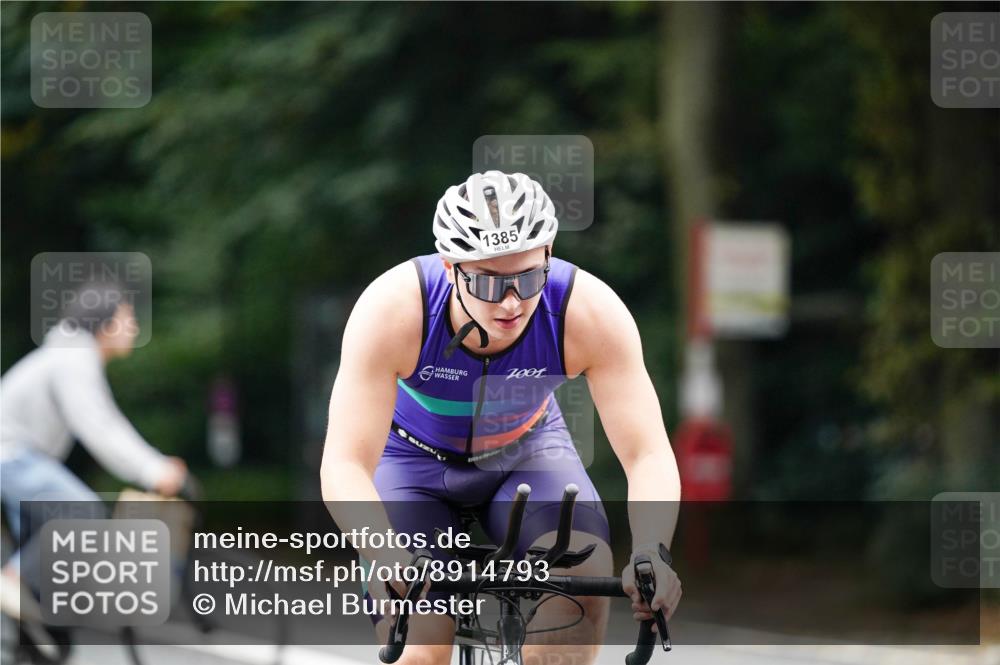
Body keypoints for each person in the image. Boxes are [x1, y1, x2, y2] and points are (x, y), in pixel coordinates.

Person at [321, 171, 681, 665]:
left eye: (529, 278)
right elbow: (344, 462)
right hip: (410, 462)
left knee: (585, 575)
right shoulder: (393, 310)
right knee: (420, 649)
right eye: (488, 282)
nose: (511, 302)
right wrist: (382, 549)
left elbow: (648, 453)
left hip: (527, 452)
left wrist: (652, 551)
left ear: (549, 252)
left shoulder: (589, 312)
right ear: (450, 267)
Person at [0, 282, 187, 617]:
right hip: (10, 455)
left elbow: (105, 425)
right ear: (105, 322)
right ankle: (12, 580)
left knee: (51, 566)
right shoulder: (72, 360)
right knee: (84, 514)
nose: (134, 327)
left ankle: (33, 636)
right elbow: (100, 428)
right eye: (128, 317)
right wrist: (153, 469)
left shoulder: (68, 355)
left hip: (20, 457)